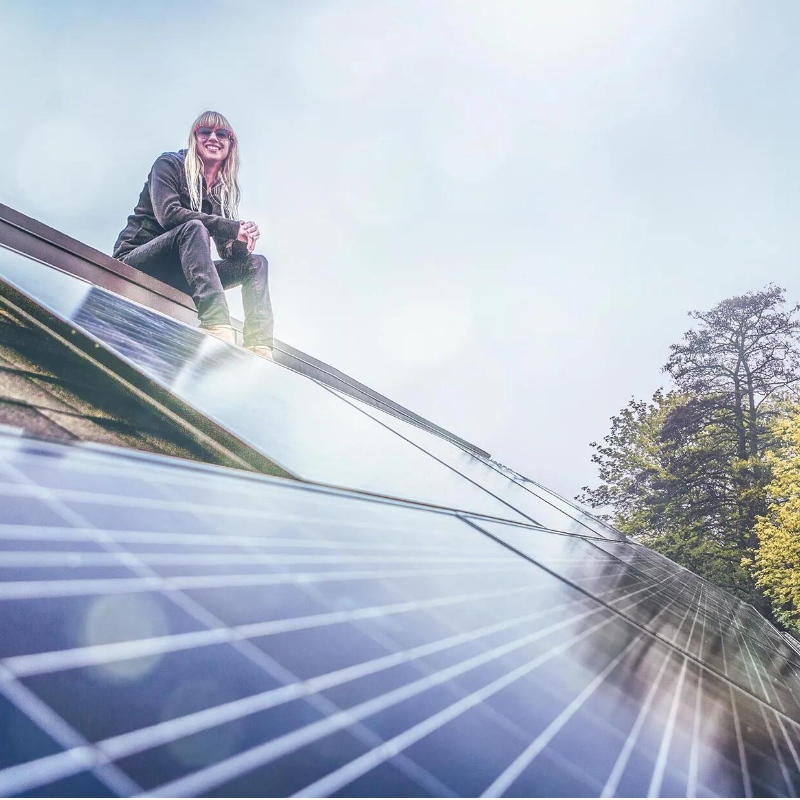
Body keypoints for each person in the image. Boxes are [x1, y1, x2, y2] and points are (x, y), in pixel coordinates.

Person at [113, 111, 274, 359]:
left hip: (184, 274)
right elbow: (169, 214)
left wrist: (242, 240)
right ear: (194, 138)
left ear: (230, 144)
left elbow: (227, 252)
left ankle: (259, 346)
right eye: (204, 132)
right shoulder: (169, 165)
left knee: (256, 263)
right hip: (138, 260)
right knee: (194, 228)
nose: (213, 138)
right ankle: (217, 325)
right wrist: (230, 226)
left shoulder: (221, 193)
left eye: (222, 134)